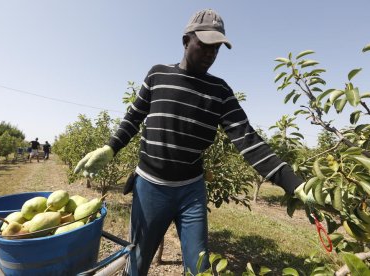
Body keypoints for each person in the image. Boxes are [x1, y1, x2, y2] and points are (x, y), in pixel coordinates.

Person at [75, 9, 309, 275]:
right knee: (137, 262)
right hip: (151, 188)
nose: (211, 53)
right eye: (205, 45)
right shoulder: (157, 75)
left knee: (200, 268)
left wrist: (294, 183)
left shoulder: (220, 91)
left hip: (191, 192)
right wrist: (110, 147)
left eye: (217, 48)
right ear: (186, 41)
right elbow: (133, 117)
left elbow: (248, 139)